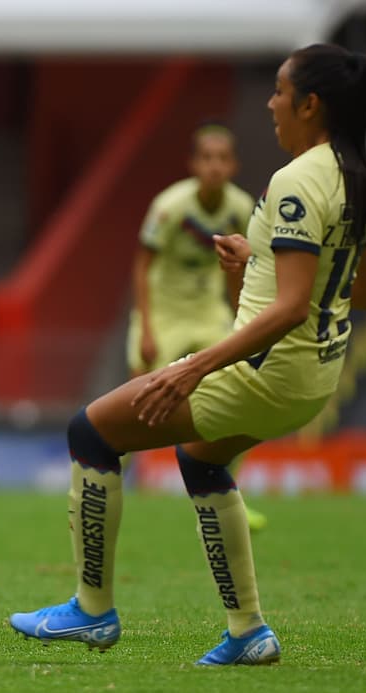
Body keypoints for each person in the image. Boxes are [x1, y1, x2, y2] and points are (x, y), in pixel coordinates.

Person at [9, 44, 366, 665]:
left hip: (267, 371)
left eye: (281, 92)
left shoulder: (296, 179)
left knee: (92, 432)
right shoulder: (358, 174)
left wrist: (193, 368)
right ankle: (248, 631)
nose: (271, 103)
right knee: (202, 459)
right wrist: (257, 260)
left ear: (311, 104)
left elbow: (289, 307)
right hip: (316, 376)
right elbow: (364, 291)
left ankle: (90, 611)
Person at [125, 122, 268, 531]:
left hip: (207, 310)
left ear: (234, 164)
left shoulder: (241, 207)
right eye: (207, 157)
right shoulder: (170, 206)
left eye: (222, 158)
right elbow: (142, 264)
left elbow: (242, 267)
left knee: (241, 386)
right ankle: (118, 483)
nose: (215, 166)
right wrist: (147, 327)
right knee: (138, 396)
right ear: (193, 164)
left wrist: (244, 319)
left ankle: (224, 488)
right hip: (165, 312)